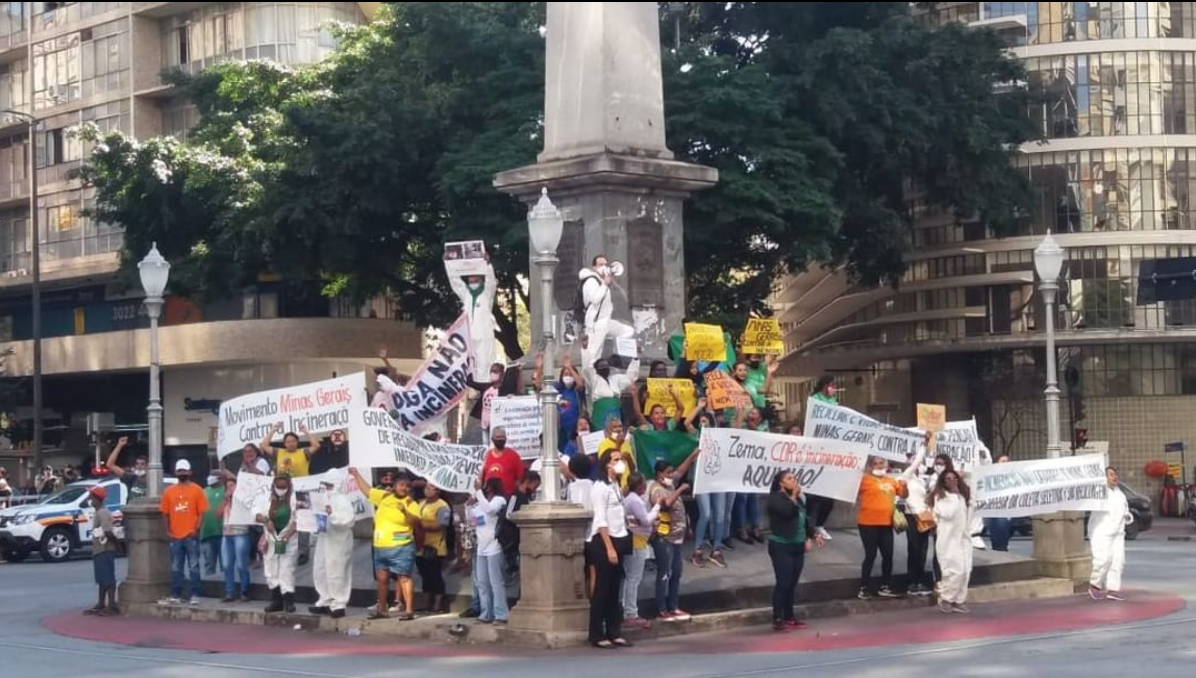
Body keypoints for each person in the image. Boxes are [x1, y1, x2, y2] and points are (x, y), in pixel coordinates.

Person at [350, 466, 419, 620]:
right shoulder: (384, 496)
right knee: (382, 579)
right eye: (401, 485)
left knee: (404, 577)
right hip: (381, 547)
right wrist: (356, 474)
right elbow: (367, 491)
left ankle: (409, 610)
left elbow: (414, 521)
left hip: (401, 547)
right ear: (394, 485)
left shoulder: (411, 503)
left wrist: (404, 511)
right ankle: (382, 609)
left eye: (407, 486)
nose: (404, 488)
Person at [766, 470, 825, 631]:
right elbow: (787, 513)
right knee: (783, 583)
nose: (794, 480)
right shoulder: (775, 498)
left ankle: (789, 616)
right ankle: (777, 618)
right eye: (789, 478)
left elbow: (804, 520)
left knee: (792, 584)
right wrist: (793, 497)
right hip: (781, 546)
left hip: (797, 545)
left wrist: (813, 535)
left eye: (794, 478)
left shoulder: (798, 499)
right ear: (781, 483)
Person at [587, 450, 633, 649]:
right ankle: (597, 634)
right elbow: (600, 520)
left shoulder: (615, 485)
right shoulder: (600, 487)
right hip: (604, 541)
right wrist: (609, 548)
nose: (620, 463)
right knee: (602, 589)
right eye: (616, 460)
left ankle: (614, 632)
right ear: (607, 464)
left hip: (619, 536)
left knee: (615, 589)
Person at [648, 457, 696, 623]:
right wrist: (681, 489)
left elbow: (681, 471)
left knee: (676, 572)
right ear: (659, 474)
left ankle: (673, 606)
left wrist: (693, 456)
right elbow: (666, 504)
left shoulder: (670, 485)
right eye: (668, 473)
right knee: (664, 573)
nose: (671, 475)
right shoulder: (657, 489)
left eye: (671, 472)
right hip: (664, 538)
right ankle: (661, 609)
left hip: (677, 538)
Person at [159, 459, 209, 606]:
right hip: (175, 536)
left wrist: (196, 529)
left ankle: (195, 594)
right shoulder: (169, 491)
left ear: (190, 472)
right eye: (180, 470)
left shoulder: (197, 490)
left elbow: (202, 513)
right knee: (176, 567)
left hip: (191, 535)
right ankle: (176, 594)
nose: (182, 473)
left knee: (194, 566)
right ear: (176, 472)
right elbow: (165, 513)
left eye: (184, 470)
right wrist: (167, 531)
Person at [856, 456, 907, 600]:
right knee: (870, 555)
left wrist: (905, 486)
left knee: (888, 555)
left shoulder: (892, 480)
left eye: (881, 463)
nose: (878, 466)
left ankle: (885, 586)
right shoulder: (864, 479)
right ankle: (863, 587)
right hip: (868, 523)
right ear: (870, 466)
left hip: (886, 524)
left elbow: (903, 495)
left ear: (886, 465)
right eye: (875, 463)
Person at [446, 251, 497, 383]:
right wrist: (448, 263)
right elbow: (455, 282)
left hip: (484, 335)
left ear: (480, 276)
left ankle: (486, 387)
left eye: (475, 275)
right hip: (469, 336)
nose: (472, 277)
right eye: (470, 276)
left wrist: (487, 264)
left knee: (485, 363)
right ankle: (473, 388)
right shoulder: (466, 294)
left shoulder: (486, 293)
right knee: (469, 366)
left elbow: (491, 282)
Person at [309, 477, 356, 619]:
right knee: (321, 569)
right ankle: (325, 600)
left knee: (337, 571)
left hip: (339, 540)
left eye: (329, 484)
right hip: (324, 538)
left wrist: (332, 514)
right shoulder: (322, 498)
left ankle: (339, 604)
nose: (327, 487)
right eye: (325, 484)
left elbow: (348, 520)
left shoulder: (343, 500)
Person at [580, 254, 636, 370]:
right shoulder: (590, 280)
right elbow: (595, 299)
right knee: (594, 354)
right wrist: (605, 284)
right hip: (595, 323)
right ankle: (593, 376)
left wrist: (609, 282)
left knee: (627, 331)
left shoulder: (601, 281)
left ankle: (616, 357)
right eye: (600, 264)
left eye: (605, 264)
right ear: (594, 267)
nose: (604, 267)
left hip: (605, 321)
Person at [621, 472, 662, 629]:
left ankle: (628, 610)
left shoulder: (629, 500)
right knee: (634, 578)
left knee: (631, 578)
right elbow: (645, 520)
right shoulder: (635, 501)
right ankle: (631, 613)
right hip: (636, 541)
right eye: (644, 483)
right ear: (639, 486)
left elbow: (637, 521)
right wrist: (657, 506)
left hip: (636, 539)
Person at [930, 468, 974, 613]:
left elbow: (970, 510)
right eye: (948, 479)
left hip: (963, 538)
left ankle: (959, 600)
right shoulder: (941, 497)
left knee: (966, 571)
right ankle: (946, 598)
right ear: (943, 481)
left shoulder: (961, 496)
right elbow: (948, 514)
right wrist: (954, 495)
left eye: (954, 478)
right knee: (954, 571)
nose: (952, 481)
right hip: (948, 540)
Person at [256, 473, 298, 613]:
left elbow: (299, 520)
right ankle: (276, 601)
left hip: (288, 540)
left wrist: (287, 536)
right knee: (271, 570)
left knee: (287, 570)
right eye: (278, 486)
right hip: (271, 539)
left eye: (283, 487)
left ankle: (289, 602)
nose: (281, 489)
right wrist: (266, 520)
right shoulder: (266, 498)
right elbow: (256, 513)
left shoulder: (295, 499)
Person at [1089, 466, 1133, 602]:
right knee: (1103, 559)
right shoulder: (1098, 492)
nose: (1115, 477)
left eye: (1115, 474)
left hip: (1118, 533)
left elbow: (1125, 510)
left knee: (1118, 561)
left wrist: (1128, 517)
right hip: (1102, 531)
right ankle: (1095, 585)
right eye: (1111, 475)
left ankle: (1113, 590)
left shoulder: (1120, 495)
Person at [470, 477, 510, 624]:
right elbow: (473, 521)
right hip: (481, 548)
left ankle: (501, 615)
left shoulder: (499, 500)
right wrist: (469, 506)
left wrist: (479, 493)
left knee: (496, 583)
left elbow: (490, 510)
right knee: (482, 583)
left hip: (494, 547)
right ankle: (486, 613)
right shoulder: (480, 503)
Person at [901, 434, 934, 596]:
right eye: (915, 461)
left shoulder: (921, 481)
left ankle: (919, 581)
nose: (919, 464)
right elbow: (917, 462)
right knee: (913, 549)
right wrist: (924, 445)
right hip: (912, 516)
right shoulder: (905, 477)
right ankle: (911, 582)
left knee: (923, 550)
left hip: (924, 516)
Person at [533, 353, 587, 452]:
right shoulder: (558, 388)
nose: (568, 377)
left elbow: (580, 383)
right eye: (566, 374)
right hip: (560, 428)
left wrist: (570, 367)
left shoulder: (577, 390)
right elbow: (538, 385)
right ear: (561, 376)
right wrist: (540, 368)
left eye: (570, 375)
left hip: (575, 428)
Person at [416, 483, 452, 614]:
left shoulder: (442, 506)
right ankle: (426, 603)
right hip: (420, 546)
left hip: (435, 547)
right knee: (424, 575)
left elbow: (441, 525)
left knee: (435, 575)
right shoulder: (421, 503)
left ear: (437, 491)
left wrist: (420, 527)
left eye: (430, 488)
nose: (427, 490)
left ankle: (438, 604)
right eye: (426, 487)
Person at [85, 486, 119, 616]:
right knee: (101, 578)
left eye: (91, 498)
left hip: (105, 549)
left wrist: (117, 545)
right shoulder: (99, 512)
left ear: (97, 499)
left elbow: (108, 531)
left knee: (108, 578)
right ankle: (101, 603)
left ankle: (111, 605)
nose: (89, 500)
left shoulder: (103, 513)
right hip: (99, 550)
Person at [217, 478, 252, 603]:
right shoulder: (226, 501)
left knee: (242, 565)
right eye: (228, 486)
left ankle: (244, 591)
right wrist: (226, 500)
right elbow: (218, 514)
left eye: (232, 485)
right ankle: (229, 592)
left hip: (240, 534)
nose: (230, 488)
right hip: (227, 535)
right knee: (227, 565)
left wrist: (236, 499)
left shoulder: (243, 500)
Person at [585, 355, 640, 429]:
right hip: (600, 416)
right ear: (596, 369)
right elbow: (588, 369)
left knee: (615, 432)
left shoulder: (615, 379)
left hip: (615, 415)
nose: (605, 368)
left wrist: (635, 359)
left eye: (606, 366)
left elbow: (630, 378)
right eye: (602, 366)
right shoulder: (594, 380)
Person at [983, 454, 1014, 551]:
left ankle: (1002, 549)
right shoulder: (989, 476)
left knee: (1004, 530)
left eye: (1007, 462)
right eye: (1003, 461)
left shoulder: (1013, 477)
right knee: (996, 534)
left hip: (1007, 510)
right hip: (993, 509)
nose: (1006, 464)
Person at [481, 428, 525, 496]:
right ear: (492, 439)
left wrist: (513, 493)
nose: (500, 439)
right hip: (489, 497)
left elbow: (520, 477)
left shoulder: (513, 455)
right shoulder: (487, 455)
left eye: (502, 437)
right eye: (498, 437)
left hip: (507, 496)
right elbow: (482, 476)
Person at [596, 418, 635, 491]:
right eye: (615, 427)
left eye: (620, 426)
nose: (618, 429)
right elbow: (605, 466)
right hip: (614, 484)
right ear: (608, 430)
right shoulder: (603, 444)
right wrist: (618, 445)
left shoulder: (626, 442)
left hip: (628, 485)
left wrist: (629, 458)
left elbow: (632, 468)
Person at [200, 479, 226, 576]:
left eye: (214, 475)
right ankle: (209, 582)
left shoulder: (225, 489)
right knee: (209, 565)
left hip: (223, 533)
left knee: (225, 564)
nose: (210, 478)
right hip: (207, 533)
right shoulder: (203, 491)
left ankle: (225, 584)